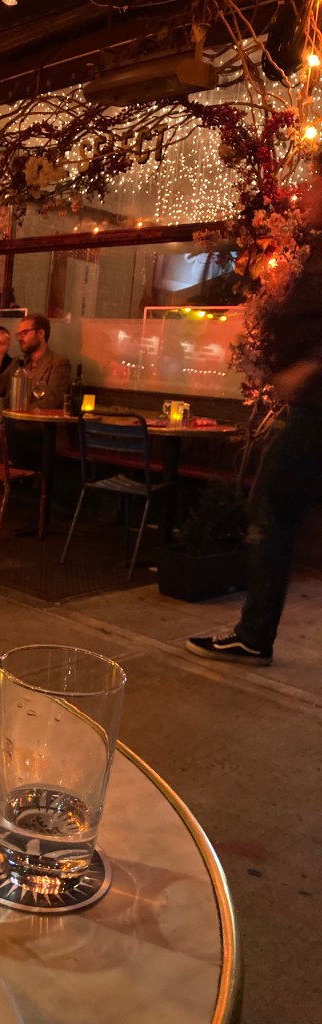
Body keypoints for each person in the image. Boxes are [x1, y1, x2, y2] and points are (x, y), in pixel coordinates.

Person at [187, 165, 322, 666]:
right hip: (306, 406)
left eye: (316, 183)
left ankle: (254, 633)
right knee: (273, 509)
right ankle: (254, 632)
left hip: (313, 408)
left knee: (270, 508)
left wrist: (306, 367)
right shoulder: (316, 247)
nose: (307, 192)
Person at [0, 313, 71, 524]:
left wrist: (18, 408)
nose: (19, 338)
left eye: (24, 333)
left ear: (41, 333)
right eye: (18, 334)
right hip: (11, 428)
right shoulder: (18, 362)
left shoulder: (59, 363)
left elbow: (52, 400)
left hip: (40, 430)